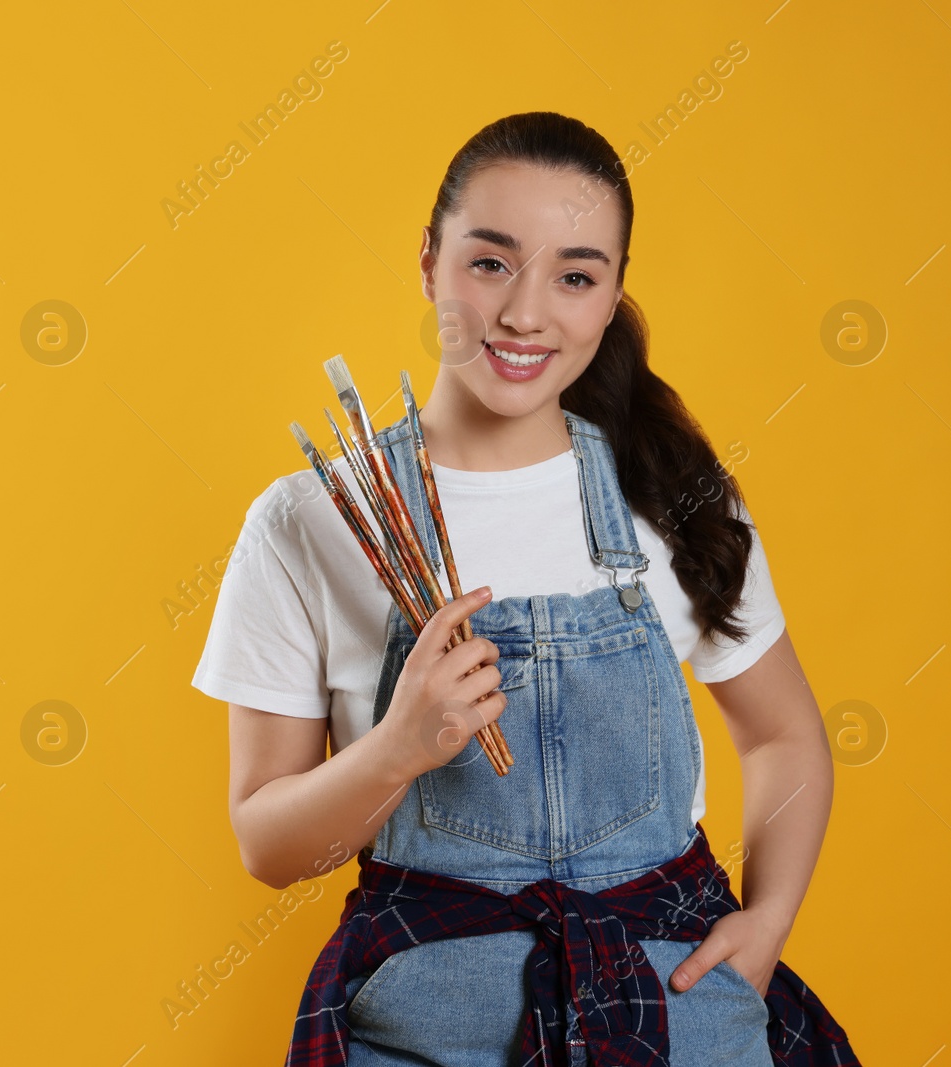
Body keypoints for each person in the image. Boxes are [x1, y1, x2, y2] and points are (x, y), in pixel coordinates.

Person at [191, 112, 860, 1066]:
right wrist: (399, 748)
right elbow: (268, 844)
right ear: (429, 262)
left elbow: (786, 732)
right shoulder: (310, 520)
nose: (524, 314)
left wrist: (769, 923)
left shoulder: (672, 497)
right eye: (491, 262)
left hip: (670, 1009)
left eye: (575, 276)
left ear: (613, 294)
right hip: (425, 1014)